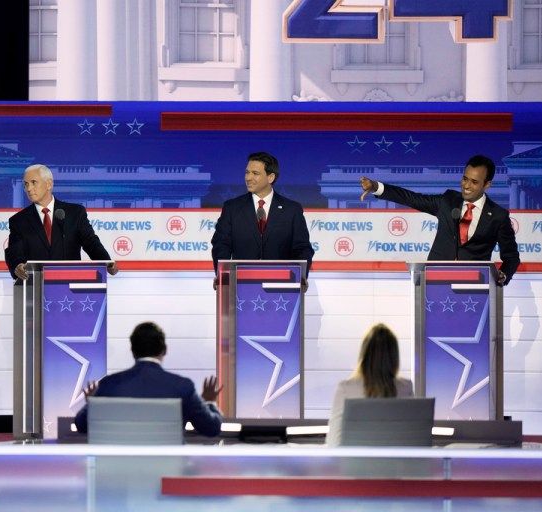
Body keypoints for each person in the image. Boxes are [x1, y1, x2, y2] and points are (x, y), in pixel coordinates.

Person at [360, 155, 520, 285]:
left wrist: (503, 275)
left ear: (487, 184)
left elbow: (511, 256)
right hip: (436, 281)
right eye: (465, 179)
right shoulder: (448, 201)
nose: (466, 185)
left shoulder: (498, 215)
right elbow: (413, 199)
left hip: (475, 287)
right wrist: (376, 186)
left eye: (474, 182)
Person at [74, 322, 224, 437]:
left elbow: (81, 426)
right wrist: (210, 402)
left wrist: (92, 403)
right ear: (164, 350)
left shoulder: (109, 385)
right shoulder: (183, 387)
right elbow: (211, 428)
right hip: (168, 471)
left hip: (117, 474)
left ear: (132, 350)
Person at [211, 151, 314, 290]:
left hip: (282, 288)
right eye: (247, 172)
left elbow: (303, 249)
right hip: (241, 286)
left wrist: (301, 276)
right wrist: (221, 274)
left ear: (271, 177)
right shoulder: (232, 208)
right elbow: (221, 245)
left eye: (255, 173)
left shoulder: (292, 210)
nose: (248, 177)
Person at [5, 164, 118, 280]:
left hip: (69, 285)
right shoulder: (19, 220)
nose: (28, 189)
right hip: (35, 285)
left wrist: (107, 262)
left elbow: (90, 242)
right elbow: (14, 250)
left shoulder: (75, 213)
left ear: (48, 184)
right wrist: (17, 265)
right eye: (26, 184)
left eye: (34, 182)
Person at [326, 323, 414, 446]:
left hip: (355, 464)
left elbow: (333, 442)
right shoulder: (406, 388)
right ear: (394, 357)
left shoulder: (346, 389)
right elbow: (412, 440)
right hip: (395, 464)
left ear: (364, 354)